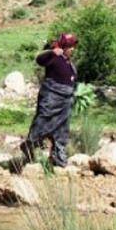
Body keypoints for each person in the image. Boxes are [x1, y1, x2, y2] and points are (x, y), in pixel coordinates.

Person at [19, 33, 78, 168]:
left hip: (65, 101)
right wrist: (52, 52)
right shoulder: (54, 57)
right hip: (52, 97)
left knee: (62, 129)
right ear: (63, 46)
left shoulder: (69, 63)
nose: (72, 49)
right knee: (43, 121)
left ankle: (57, 158)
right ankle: (30, 145)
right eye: (69, 46)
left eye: (73, 46)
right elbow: (40, 60)